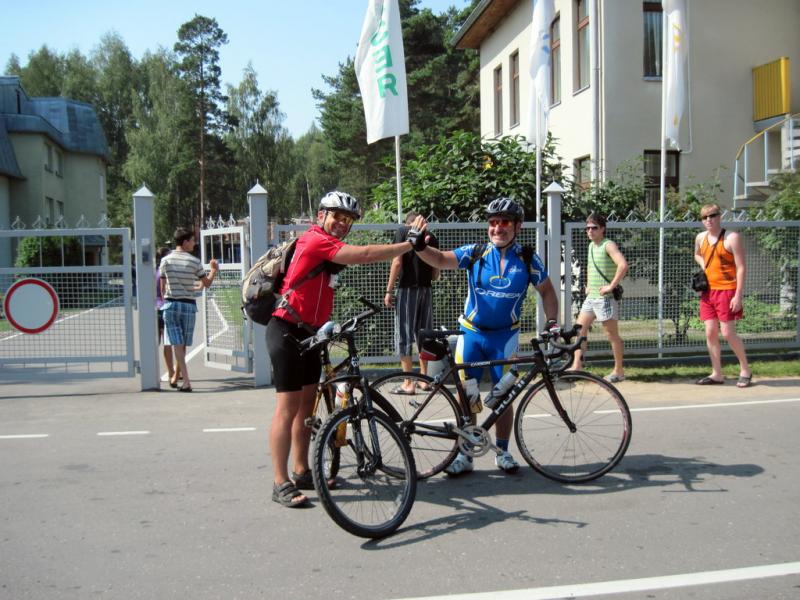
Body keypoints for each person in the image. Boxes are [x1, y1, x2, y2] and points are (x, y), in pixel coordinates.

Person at [267, 191, 417, 508]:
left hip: (311, 334)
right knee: (288, 407)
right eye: (337, 216)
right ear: (321, 215)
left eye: (347, 220)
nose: (341, 223)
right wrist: (407, 246)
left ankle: (302, 470)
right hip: (286, 331)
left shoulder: (326, 247)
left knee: (307, 407)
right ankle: (280, 482)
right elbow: (363, 254)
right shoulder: (314, 239)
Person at [408, 197, 559, 476]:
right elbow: (440, 259)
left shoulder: (527, 258)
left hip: (505, 338)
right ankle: (466, 456)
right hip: (472, 336)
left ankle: (503, 451)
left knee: (504, 397)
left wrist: (551, 323)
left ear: (517, 226)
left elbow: (548, 292)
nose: (497, 228)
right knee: (469, 397)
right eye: (492, 223)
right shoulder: (476, 253)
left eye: (504, 223)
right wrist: (418, 246)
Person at [694, 204, 752, 387]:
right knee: (710, 332)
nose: (708, 220)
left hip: (727, 290)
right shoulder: (700, 237)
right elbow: (697, 254)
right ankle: (717, 373)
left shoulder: (731, 237)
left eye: (712, 215)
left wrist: (738, 295)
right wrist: (705, 266)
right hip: (708, 291)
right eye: (704, 217)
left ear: (719, 216)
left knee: (727, 333)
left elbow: (741, 267)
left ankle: (745, 370)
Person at [384, 211, 440, 394]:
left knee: (404, 334)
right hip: (426, 290)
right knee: (424, 334)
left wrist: (389, 290)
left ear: (408, 223)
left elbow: (397, 262)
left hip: (407, 289)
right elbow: (435, 272)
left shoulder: (402, 232)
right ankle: (424, 380)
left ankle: (408, 383)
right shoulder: (432, 238)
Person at [570, 213, 629, 382]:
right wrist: (588, 285)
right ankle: (577, 366)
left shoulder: (608, 245)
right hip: (592, 297)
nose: (590, 231)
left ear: (602, 229)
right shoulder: (591, 246)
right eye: (587, 228)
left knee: (611, 335)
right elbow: (590, 266)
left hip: (605, 298)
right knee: (579, 330)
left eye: (594, 227)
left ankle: (618, 371)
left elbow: (623, 265)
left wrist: (611, 286)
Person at [159, 228, 218, 393]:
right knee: (182, 344)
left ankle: (177, 376)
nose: (194, 243)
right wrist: (213, 270)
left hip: (171, 304)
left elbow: (163, 288)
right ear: (185, 242)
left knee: (177, 344)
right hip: (188, 306)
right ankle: (185, 381)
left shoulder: (165, 261)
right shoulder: (194, 261)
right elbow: (205, 284)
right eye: (192, 240)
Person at [156, 246, 180, 387]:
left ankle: (171, 371)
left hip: (155, 306)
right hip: (165, 306)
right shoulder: (165, 272)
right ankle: (173, 372)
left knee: (163, 342)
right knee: (170, 341)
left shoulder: (153, 272)